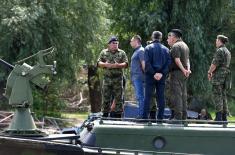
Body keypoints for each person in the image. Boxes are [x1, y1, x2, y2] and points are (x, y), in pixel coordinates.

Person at [97, 36, 128, 118]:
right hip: (107, 79)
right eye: (113, 43)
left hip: (118, 80)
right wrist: (105, 64)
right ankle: (104, 116)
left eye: (117, 43)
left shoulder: (122, 53)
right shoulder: (104, 52)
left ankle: (118, 118)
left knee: (119, 99)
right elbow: (98, 63)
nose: (115, 45)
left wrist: (118, 65)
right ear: (109, 44)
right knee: (105, 98)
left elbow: (126, 64)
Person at [143, 31, 171, 120]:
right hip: (161, 76)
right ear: (161, 38)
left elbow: (147, 63)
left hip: (150, 76)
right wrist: (161, 73)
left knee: (147, 96)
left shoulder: (147, 48)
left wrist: (153, 73)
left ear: (152, 37)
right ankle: (160, 118)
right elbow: (168, 64)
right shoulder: (166, 49)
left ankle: (144, 118)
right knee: (161, 97)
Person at [167, 29, 191, 120]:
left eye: (170, 36)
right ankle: (184, 116)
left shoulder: (176, 46)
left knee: (177, 95)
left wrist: (183, 70)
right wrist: (187, 70)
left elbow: (177, 60)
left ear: (174, 37)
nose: (169, 38)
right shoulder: (185, 45)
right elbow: (188, 60)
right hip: (184, 73)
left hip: (177, 73)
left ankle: (177, 117)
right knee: (183, 95)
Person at [208, 35, 231, 122]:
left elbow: (214, 64)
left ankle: (218, 118)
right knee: (223, 96)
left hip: (218, 77)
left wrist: (209, 72)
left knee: (217, 95)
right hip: (225, 77)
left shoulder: (220, 51)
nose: (216, 42)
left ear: (220, 41)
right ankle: (224, 117)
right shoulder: (227, 51)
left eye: (216, 40)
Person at [130, 35, 145, 118]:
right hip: (136, 78)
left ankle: (142, 115)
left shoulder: (141, 51)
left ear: (136, 41)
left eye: (132, 40)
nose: (130, 42)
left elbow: (144, 65)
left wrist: (145, 76)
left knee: (140, 97)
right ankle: (141, 114)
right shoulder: (136, 51)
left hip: (139, 78)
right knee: (139, 97)